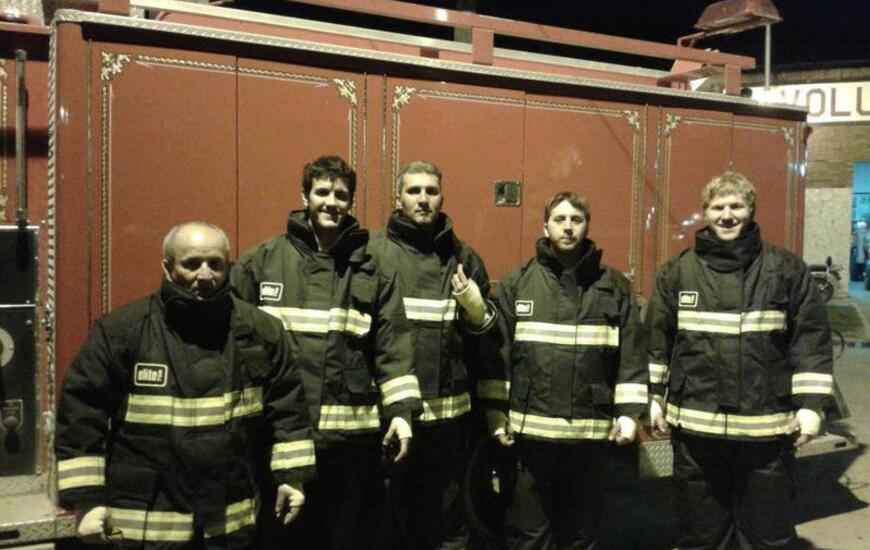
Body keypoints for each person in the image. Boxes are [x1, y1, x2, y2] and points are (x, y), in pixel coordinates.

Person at [55, 221, 314, 549]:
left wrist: (292, 478)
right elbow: (81, 416)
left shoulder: (262, 332)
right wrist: (87, 501)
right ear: (167, 267)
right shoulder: (123, 332)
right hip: (147, 530)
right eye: (191, 264)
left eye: (215, 264)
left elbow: (288, 410)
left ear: (229, 267)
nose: (205, 275)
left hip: (229, 527)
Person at [230, 155, 421, 550]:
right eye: (322, 192)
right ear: (304, 196)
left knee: (339, 538)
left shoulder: (374, 268)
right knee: (276, 538)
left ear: (351, 202)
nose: (331, 202)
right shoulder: (261, 263)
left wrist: (401, 415)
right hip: (276, 438)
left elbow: (393, 346)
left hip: (346, 445)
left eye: (341, 195)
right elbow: (231, 343)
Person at [646, 171, 836, 549]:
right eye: (718, 207)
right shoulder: (679, 271)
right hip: (697, 432)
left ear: (751, 210)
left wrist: (812, 406)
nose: (726, 215)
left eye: (736, 206)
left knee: (768, 536)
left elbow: (810, 340)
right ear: (705, 212)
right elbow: (655, 339)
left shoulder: (785, 270)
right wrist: (653, 396)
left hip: (765, 431)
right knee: (701, 536)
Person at [480, 191, 647, 550]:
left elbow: (631, 355)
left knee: (580, 534)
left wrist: (630, 414)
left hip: (589, 438)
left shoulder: (614, 286)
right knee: (529, 534)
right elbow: (499, 355)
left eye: (576, 219)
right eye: (560, 219)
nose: (568, 227)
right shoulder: (517, 283)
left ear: (587, 226)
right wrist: (495, 412)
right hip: (530, 438)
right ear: (545, 226)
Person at [369, 160, 498, 549]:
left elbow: (487, 335)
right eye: (414, 191)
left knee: (444, 520)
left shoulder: (463, 257)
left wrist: (477, 310)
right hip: (390, 419)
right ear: (398, 197)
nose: (423, 199)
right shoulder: (373, 253)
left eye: (431, 191)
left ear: (442, 197)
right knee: (383, 519)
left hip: (447, 421)